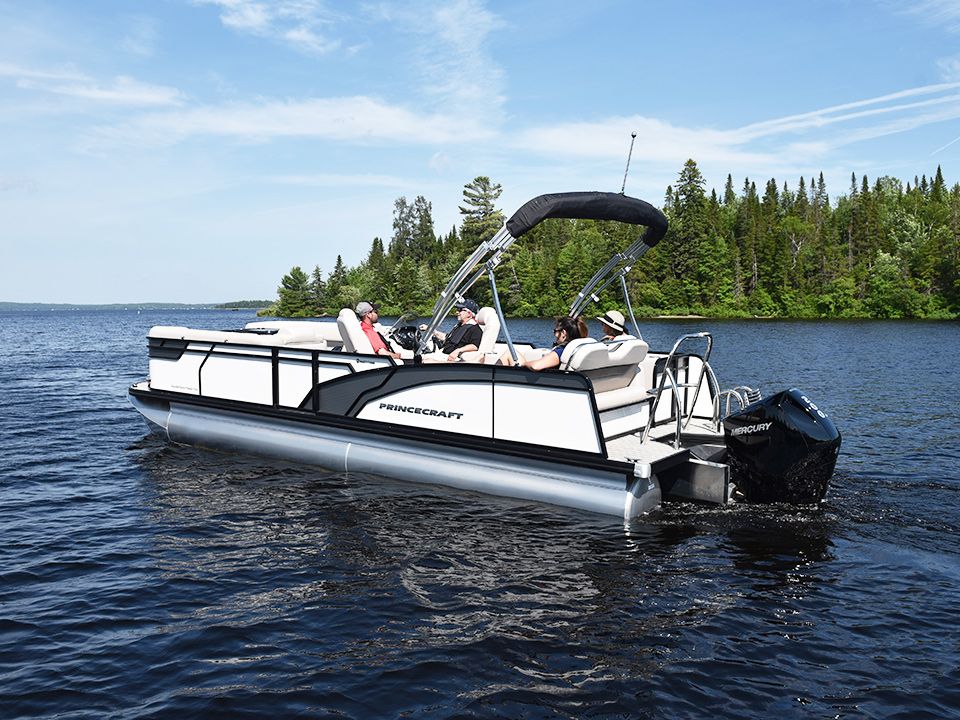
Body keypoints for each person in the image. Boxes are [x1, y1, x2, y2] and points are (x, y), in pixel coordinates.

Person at [498, 316, 581, 371]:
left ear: (563, 333)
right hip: (551, 379)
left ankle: (491, 381)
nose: (554, 335)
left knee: (509, 353)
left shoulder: (561, 351)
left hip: (541, 382)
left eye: (555, 331)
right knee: (513, 352)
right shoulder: (575, 348)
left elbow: (536, 366)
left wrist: (524, 364)